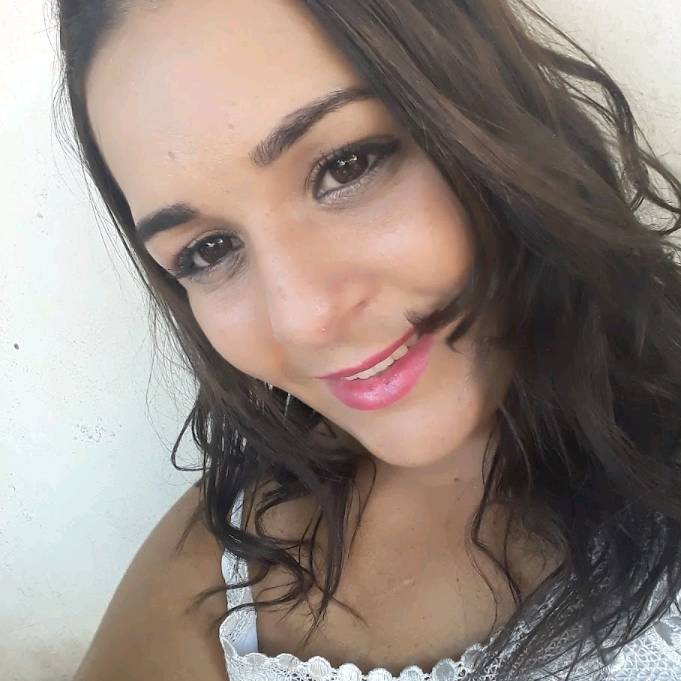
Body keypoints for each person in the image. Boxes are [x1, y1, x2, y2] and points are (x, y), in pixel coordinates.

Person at [56, 0, 681, 679]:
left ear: (478, 103)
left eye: (346, 166)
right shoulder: (217, 565)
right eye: (209, 250)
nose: (303, 319)